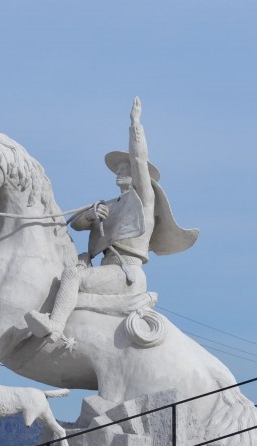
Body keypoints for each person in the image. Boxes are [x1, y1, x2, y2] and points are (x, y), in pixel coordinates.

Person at [25, 97, 198, 339]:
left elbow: (138, 159)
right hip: (107, 270)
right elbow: (75, 224)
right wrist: (90, 215)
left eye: (125, 169)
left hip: (126, 272)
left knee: (72, 275)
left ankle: (55, 326)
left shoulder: (144, 200)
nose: (120, 171)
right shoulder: (109, 205)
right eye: (118, 169)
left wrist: (135, 124)